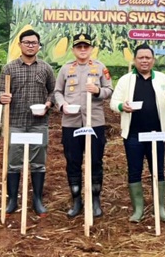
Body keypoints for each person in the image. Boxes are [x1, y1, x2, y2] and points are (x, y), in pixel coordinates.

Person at [110, 44, 165, 223]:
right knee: (134, 170)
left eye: (148, 57)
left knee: (159, 170)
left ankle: (160, 208)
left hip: (157, 134)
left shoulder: (163, 79)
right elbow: (113, 102)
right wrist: (121, 106)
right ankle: (138, 209)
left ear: (153, 60)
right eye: (141, 58)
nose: (145, 61)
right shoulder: (126, 80)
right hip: (133, 135)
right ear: (135, 60)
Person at [53, 33, 113, 218]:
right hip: (71, 122)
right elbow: (57, 92)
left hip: (94, 122)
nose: (82, 50)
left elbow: (109, 90)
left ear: (91, 49)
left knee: (95, 160)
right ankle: (76, 199)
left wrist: (97, 91)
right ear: (73, 49)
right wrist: (62, 105)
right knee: (73, 160)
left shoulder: (100, 68)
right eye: (79, 47)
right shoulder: (65, 69)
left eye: (86, 46)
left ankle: (95, 199)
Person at [0, 29, 55, 217]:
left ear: (39, 46)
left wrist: (48, 103)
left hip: (38, 123)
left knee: (38, 163)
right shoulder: (9, 68)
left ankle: (37, 199)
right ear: (20, 44)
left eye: (34, 42)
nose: (30, 45)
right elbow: (0, 92)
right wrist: (3, 97)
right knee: (14, 162)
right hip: (15, 122)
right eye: (27, 42)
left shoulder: (45, 68)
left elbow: (53, 92)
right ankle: (13, 199)